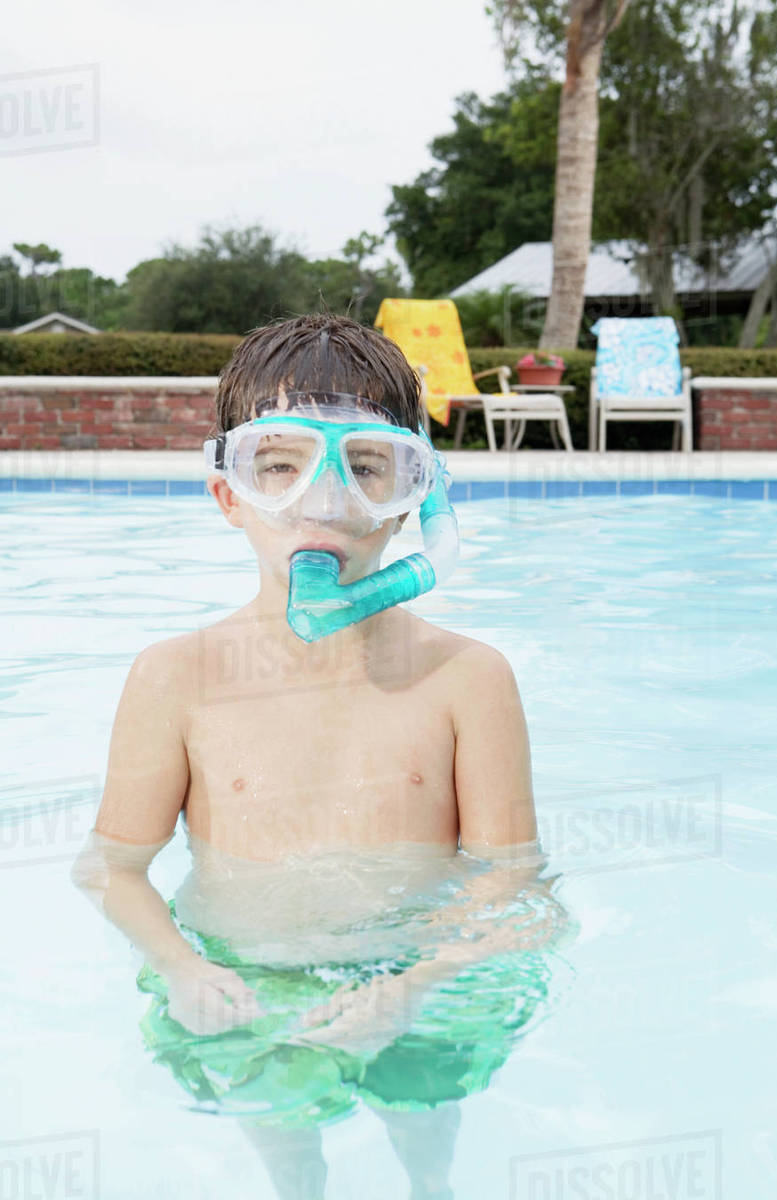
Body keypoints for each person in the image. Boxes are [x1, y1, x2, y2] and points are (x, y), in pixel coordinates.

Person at [71, 314, 566, 1200]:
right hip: (246, 982)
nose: (325, 502)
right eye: (280, 465)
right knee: (288, 1157)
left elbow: (512, 881)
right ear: (230, 495)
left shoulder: (467, 680)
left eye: (366, 467)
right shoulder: (175, 679)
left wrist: (413, 988)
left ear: (414, 496)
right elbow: (113, 868)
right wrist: (185, 969)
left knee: (426, 1129)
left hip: (421, 975)